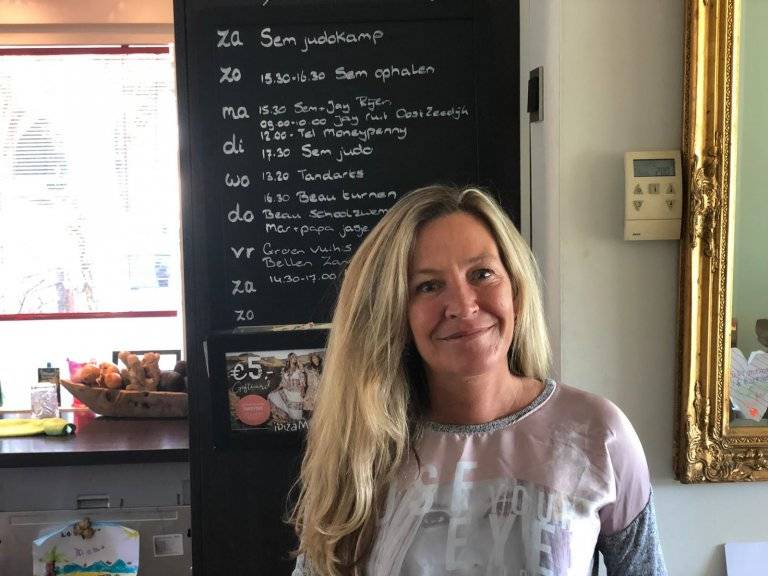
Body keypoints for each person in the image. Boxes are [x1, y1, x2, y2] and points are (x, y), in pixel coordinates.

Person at [291, 186, 666, 576]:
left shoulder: (598, 434)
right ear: (395, 312)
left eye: (482, 274)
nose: (463, 305)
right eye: (428, 286)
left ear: (516, 290)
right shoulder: (359, 448)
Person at [268, 352, 306, 421]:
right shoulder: (285, 369)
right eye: (293, 357)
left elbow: (302, 380)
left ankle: (296, 423)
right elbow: (283, 382)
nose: (294, 358)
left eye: (295, 357)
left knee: (296, 413)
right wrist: (276, 389)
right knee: (271, 395)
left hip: (297, 392)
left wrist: (302, 390)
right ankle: (284, 419)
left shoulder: (299, 368)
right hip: (287, 391)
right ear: (289, 359)